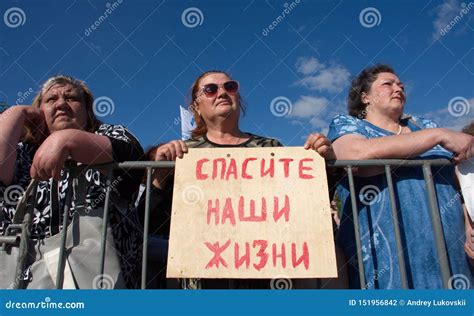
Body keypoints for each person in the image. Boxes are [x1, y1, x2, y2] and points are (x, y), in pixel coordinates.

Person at [138, 70, 335, 289]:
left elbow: (304, 212)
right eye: (210, 90)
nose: (222, 92)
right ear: (196, 107)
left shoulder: (271, 148)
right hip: (202, 287)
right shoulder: (184, 154)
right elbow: (147, 224)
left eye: (229, 87)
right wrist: (159, 178)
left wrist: (324, 164)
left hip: (264, 284)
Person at [327, 64, 473, 289]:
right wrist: (439, 135)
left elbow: (458, 179)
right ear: (365, 97)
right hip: (385, 258)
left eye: (401, 85)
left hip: (448, 252)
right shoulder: (348, 125)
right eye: (388, 84)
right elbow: (355, 154)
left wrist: (469, 223)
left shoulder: (422, 125)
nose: (398, 88)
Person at [0, 76, 144, 289]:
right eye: (50, 100)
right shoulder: (22, 152)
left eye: (71, 98)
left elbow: (133, 159)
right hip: (23, 280)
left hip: (99, 277)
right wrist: (17, 113)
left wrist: (66, 139)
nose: (60, 104)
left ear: (87, 110)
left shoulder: (107, 133)